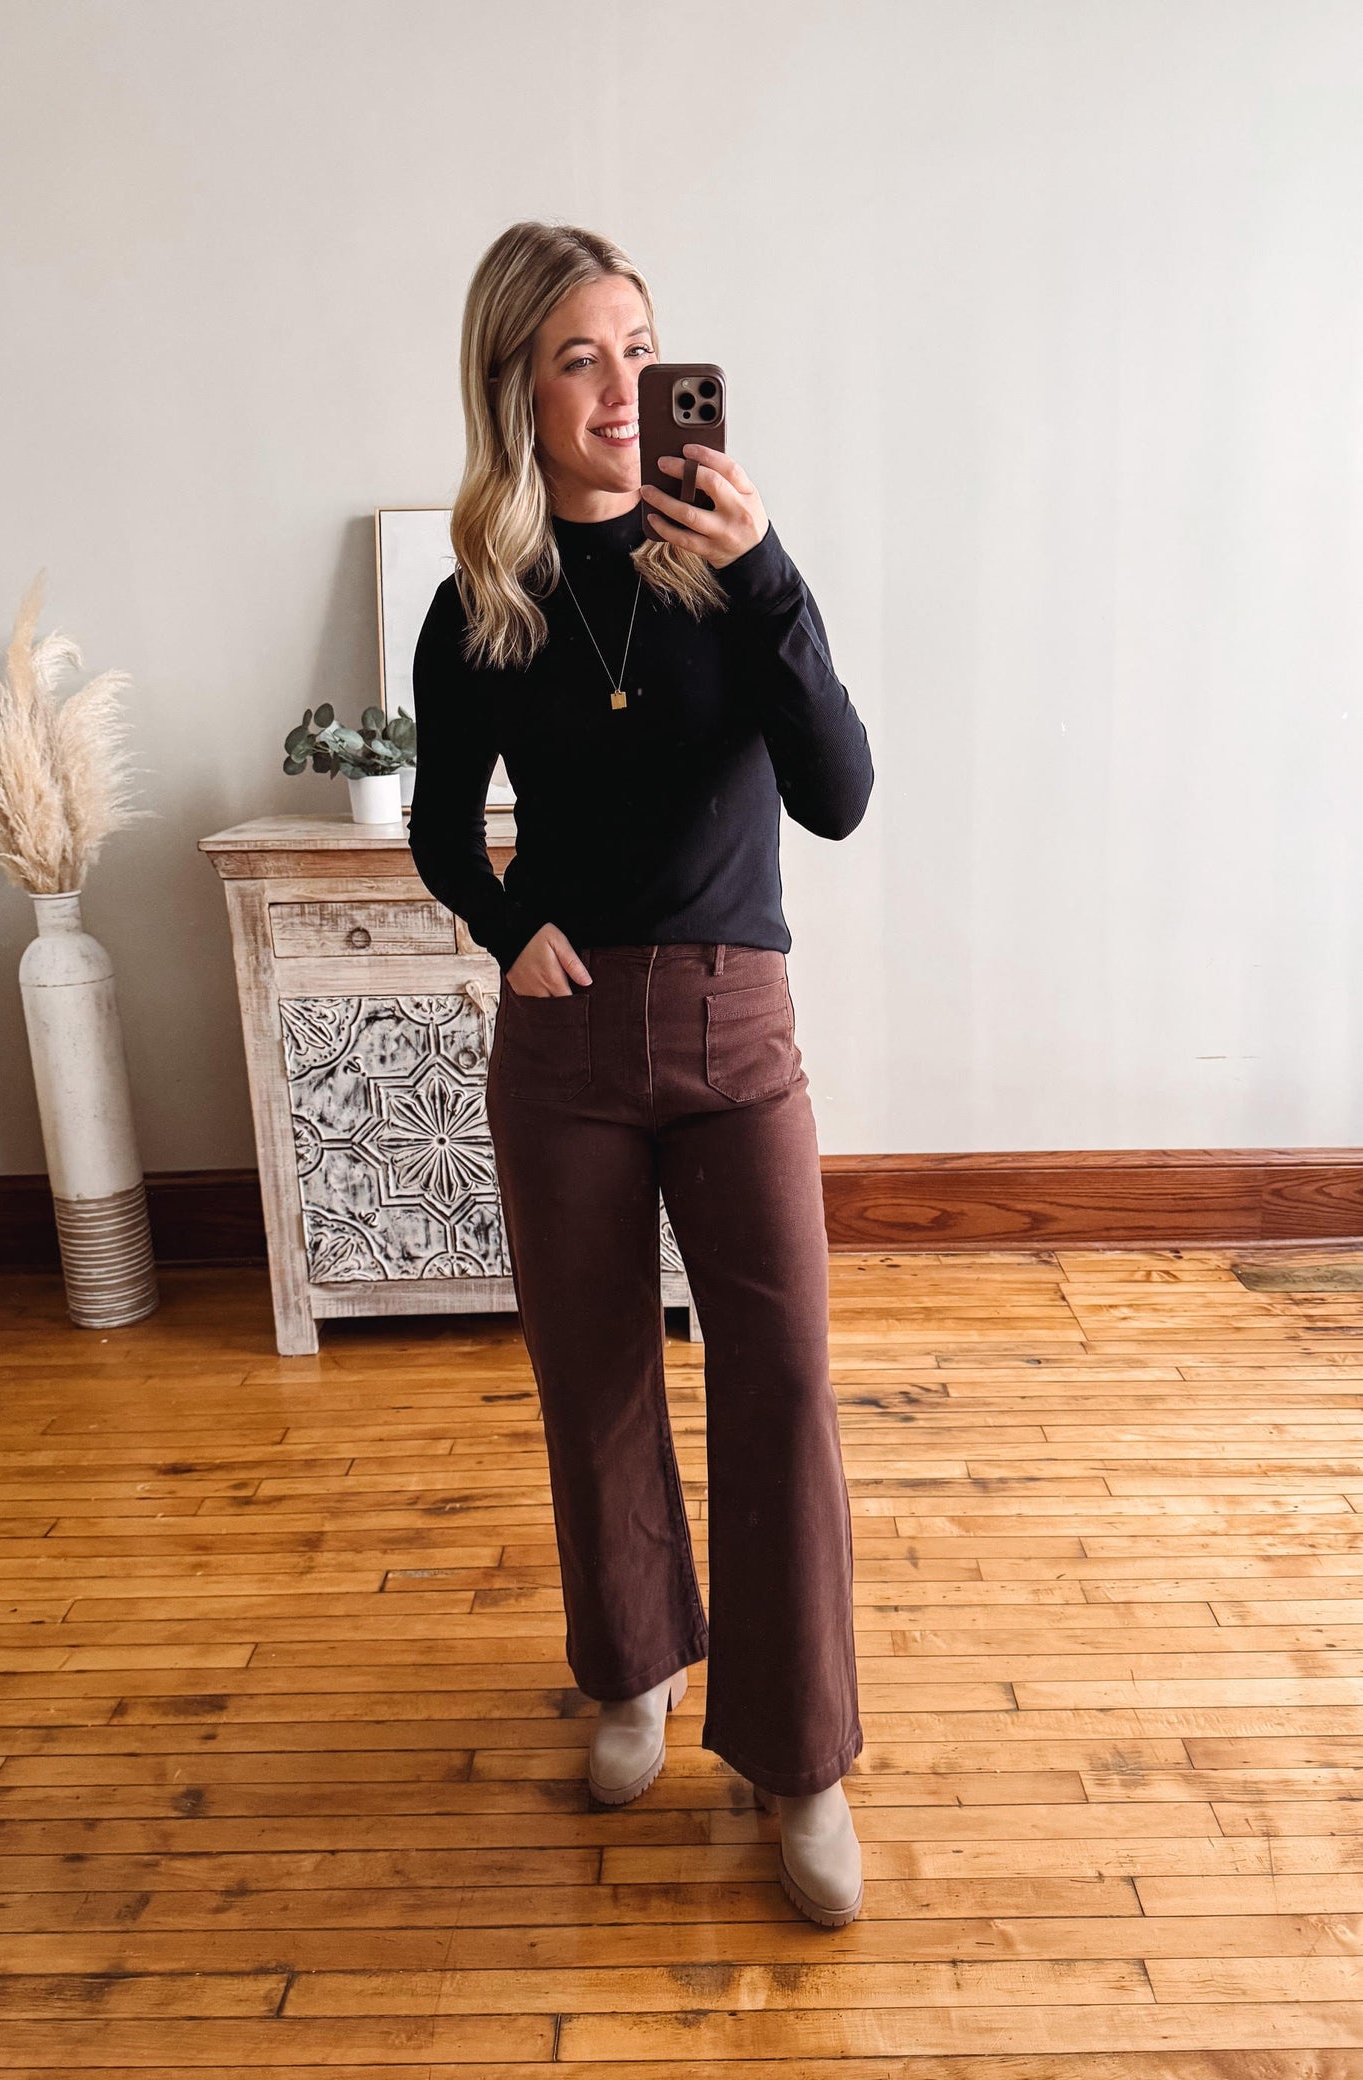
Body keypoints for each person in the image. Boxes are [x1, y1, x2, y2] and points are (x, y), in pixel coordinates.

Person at [408, 220, 874, 1928]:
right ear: (518, 394)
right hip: (569, 1039)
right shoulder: (480, 607)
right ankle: (632, 1675)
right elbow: (445, 826)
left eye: (641, 349)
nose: (620, 390)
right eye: (578, 359)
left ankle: (800, 1760)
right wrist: (504, 920)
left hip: (738, 1030)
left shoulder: (737, 570)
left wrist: (766, 577)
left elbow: (838, 793)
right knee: (590, 1372)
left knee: (785, 1384)